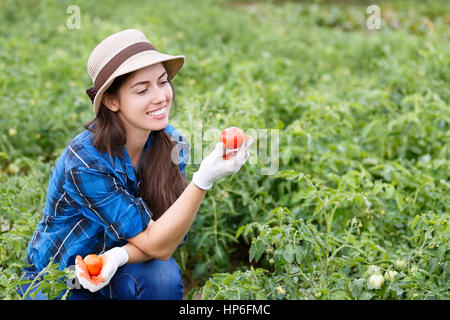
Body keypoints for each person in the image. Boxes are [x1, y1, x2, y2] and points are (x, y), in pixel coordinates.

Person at [18, 29, 253, 300]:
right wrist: (203, 179)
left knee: (161, 276)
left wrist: (117, 257)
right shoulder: (85, 161)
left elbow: (167, 239)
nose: (160, 97)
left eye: (162, 82)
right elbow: (157, 242)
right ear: (111, 100)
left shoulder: (172, 143)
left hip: (120, 270)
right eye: (142, 89)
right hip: (64, 279)